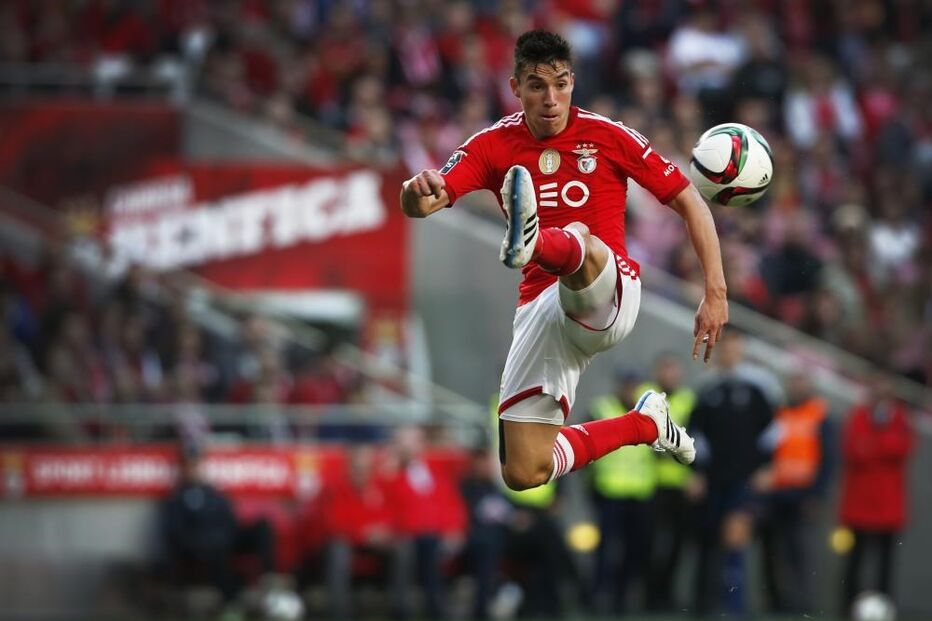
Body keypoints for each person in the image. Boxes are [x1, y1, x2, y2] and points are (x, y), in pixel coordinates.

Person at [399, 29, 727, 495]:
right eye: (537, 85)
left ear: (573, 81)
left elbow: (690, 200)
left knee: (581, 238)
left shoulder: (608, 135)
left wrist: (715, 291)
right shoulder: (492, 145)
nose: (551, 98)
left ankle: (537, 243)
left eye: (561, 83)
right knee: (524, 471)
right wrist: (414, 193)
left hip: (608, 290)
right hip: (541, 311)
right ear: (515, 88)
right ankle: (646, 425)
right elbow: (425, 203)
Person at [687, 329, 781, 616]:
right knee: (709, 540)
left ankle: (734, 608)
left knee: (735, 539)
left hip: (744, 480)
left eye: (734, 347)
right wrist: (697, 472)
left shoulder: (756, 390)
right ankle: (704, 606)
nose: (729, 353)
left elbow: (773, 433)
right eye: (725, 348)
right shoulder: (708, 389)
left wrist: (767, 467)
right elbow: (695, 436)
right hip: (713, 479)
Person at [157, 441, 277, 610]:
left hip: (227, 537)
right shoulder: (177, 498)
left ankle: (268, 578)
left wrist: (229, 533)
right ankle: (232, 603)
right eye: (190, 464)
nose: (194, 468)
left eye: (197, 463)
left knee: (262, 526)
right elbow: (177, 533)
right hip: (204, 547)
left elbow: (231, 519)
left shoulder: (213, 492)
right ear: (183, 468)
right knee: (217, 548)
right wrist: (207, 539)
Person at [757, 370, 833, 615]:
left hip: (802, 494)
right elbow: (765, 448)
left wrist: (817, 494)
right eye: (794, 381)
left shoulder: (819, 414)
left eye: (801, 381)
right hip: (776, 492)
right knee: (772, 551)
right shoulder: (779, 414)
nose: (796, 387)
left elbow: (828, 458)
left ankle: (803, 605)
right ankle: (776, 604)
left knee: (800, 552)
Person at [839, 376, 914, 615]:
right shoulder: (859, 416)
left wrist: (873, 445)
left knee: (885, 564)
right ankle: (846, 609)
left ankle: (885, 609)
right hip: (859, 505)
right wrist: (879, 446)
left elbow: (901, 448)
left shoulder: (899, 419)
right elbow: (853, 449)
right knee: (853, 561)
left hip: (887, 506)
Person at [587, 369, 658, 615]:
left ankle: (623, 598)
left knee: (635, 549)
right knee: (606, 549)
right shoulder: (602, 408)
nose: (630, 391)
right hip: (610, 491)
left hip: (640, 492)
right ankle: (598, 597)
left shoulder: (650, 414)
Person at [639, 353, 697, 612]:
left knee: (676, 544)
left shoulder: (688, 400)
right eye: (666, 369)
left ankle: (666, 595)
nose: (670, 375)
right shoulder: (645, 396)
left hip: (678, 484)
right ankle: (648, 597)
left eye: (674, 370)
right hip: (649, 483)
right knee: (648, 543)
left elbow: (693, 441)